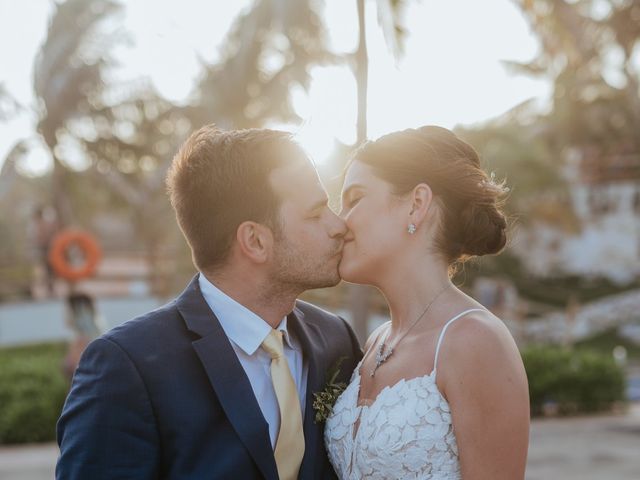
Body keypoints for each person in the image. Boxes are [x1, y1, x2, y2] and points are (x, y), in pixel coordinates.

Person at [56, 125, 363, 480]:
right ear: (255, 241)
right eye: (316, 212)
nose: (338, 225)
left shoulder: (334, 339)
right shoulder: (126, 368)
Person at [325, 126, 530, 479]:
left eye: (355, 198)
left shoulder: (475, 340)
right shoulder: (377, 342)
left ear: (416, 205)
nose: (341, 222)